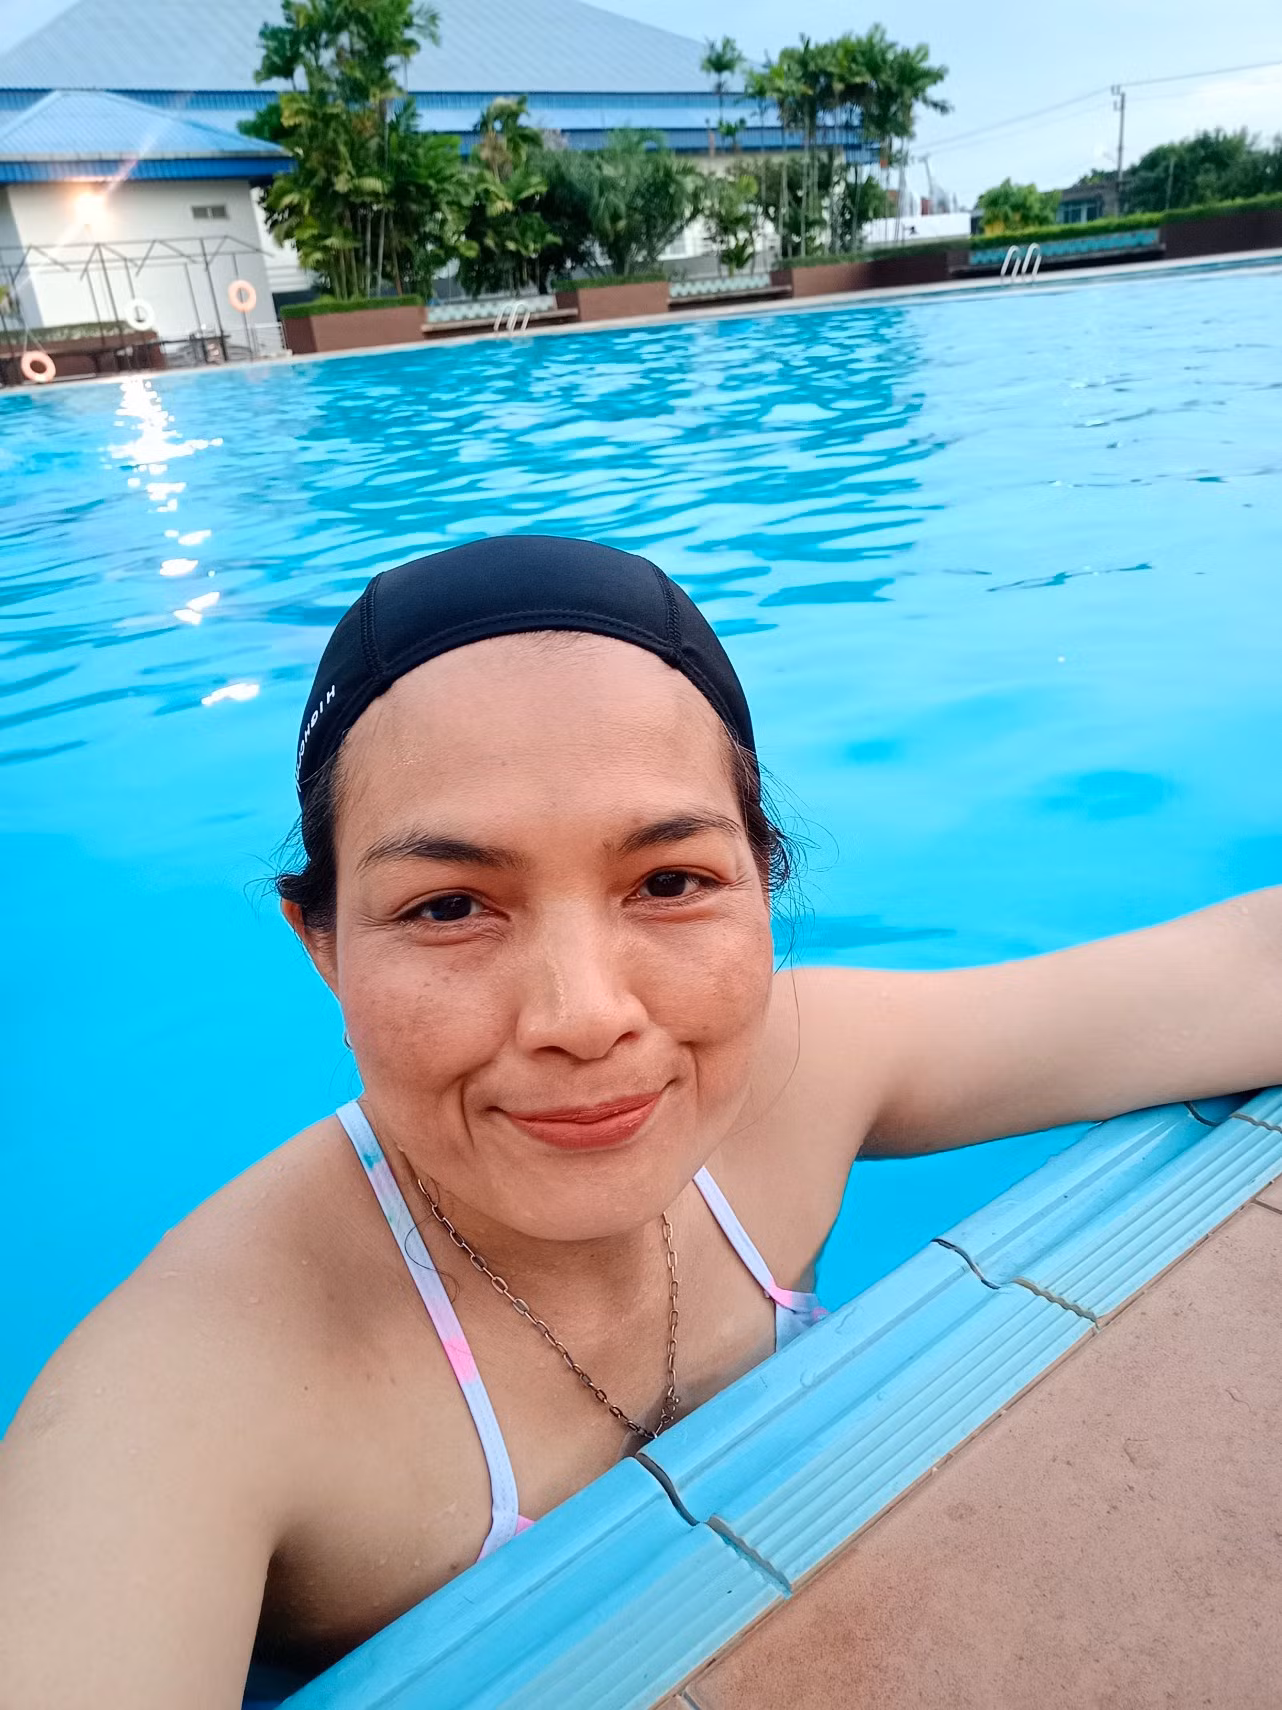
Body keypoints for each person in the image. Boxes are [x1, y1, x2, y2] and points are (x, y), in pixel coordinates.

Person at [2, 535, 1279, 1709]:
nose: (584, 1015)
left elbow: (1238, 977)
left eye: (670, 881)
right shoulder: (184, 1397)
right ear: (324, 947)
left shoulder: (806, 1069)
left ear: (762, 887)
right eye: (449, 907)